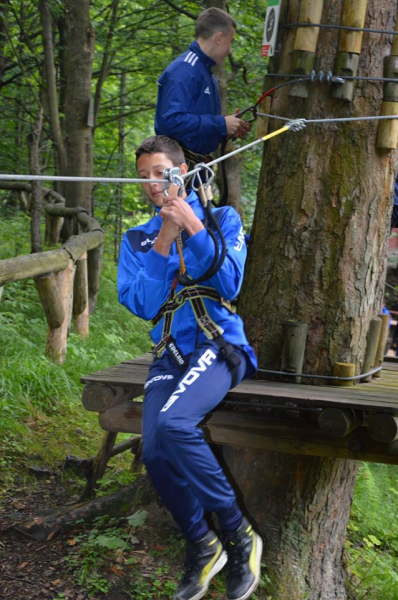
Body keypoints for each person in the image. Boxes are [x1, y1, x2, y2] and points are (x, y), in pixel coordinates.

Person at [117, 135, 262, 600]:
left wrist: (194, 228)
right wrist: (164, 237)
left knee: (176, 424)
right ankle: (202, 543)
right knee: (156, 450)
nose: (152, 183)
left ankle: (239, 534)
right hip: (170, 355)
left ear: (181, 170)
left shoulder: (222, 218)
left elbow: (231, 281)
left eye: (160, 172)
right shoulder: (136, 238)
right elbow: (142, 303)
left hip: (219, 346)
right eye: (143, 177)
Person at [154, 7, 251, 166]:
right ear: (219, 38)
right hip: (176, 169)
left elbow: (196, 131)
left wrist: (227, 129)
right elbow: (170, 122)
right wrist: (220, 124)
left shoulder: (206, 73)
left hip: (195, 168)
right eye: (230, 42)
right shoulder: (184, 69)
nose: (230, 51)